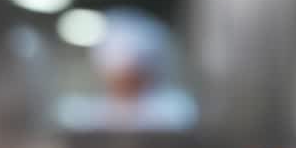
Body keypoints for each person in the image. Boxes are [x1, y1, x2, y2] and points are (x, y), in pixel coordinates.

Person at [57, 9, 197, 132]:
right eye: (116, 72)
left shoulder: (173, 111)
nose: (122, 79)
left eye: (131, 72)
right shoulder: (84, 113)